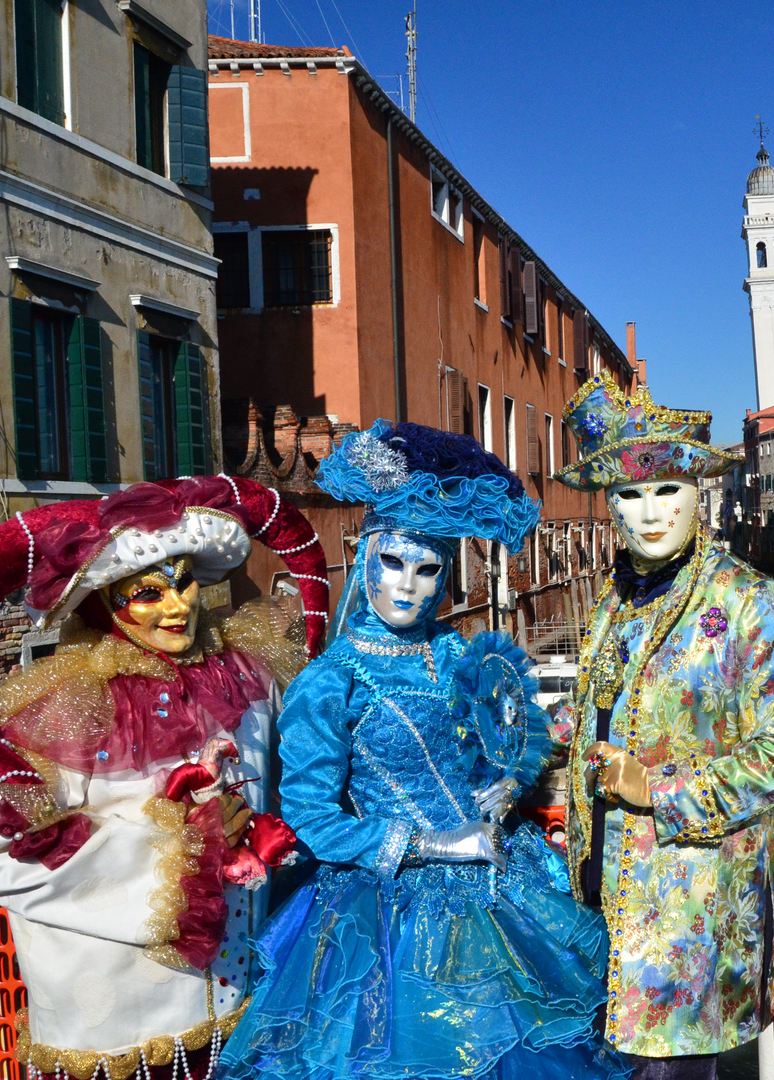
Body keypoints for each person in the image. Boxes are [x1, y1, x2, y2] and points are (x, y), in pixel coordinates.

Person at [219, 421, 627, 1080]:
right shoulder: (332, 682)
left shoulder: (454, 653)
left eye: (427, 567)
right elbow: (314, 820)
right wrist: (437, 846)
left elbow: (495, 743)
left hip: (496, 885)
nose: (407, 585)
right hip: (384, 918)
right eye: (391, 563)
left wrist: (500, 785)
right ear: (364, 556)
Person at [0, 475, 330, 1080]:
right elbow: (9, 859)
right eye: (149, 592)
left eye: (184, 581)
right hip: (119, 1014)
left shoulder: (246, 679)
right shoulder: (64, 709)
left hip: (241, 994)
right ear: (104, 602)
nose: (179, 606)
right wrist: (183, 843)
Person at [552, 373, 774, 1079]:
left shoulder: (748, 602)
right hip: (602, 900)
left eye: (666, 490)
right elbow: (616, 706)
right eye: (630, 495)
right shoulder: (615, 599)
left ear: (698, 494)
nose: (649, 514)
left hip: (694, 912)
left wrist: (660, 789)